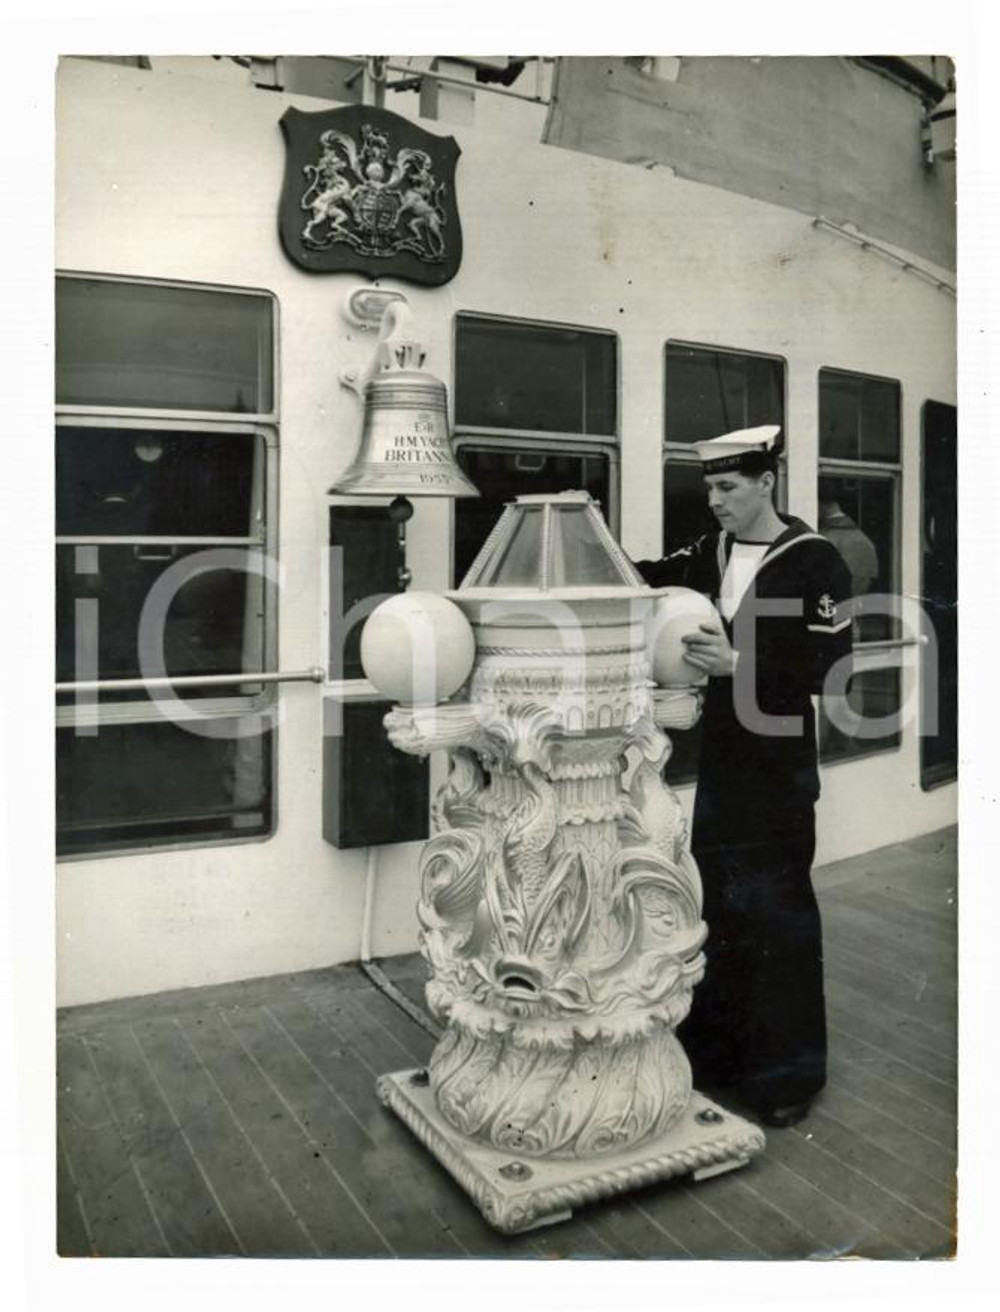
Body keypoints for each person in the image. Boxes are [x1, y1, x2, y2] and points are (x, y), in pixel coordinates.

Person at [635, 426, 853, 1128]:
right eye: (709, 489)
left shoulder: (814, 562)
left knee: (780, 916)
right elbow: (647, 573)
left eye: (728, 487)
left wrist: (740, 667)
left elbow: (833, 669)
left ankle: (787, 1080)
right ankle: (720, 1057)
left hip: (780, 769)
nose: (716, 501)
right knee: (722, 906)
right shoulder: (712, 551)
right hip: (726, 764)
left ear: (767, 482)